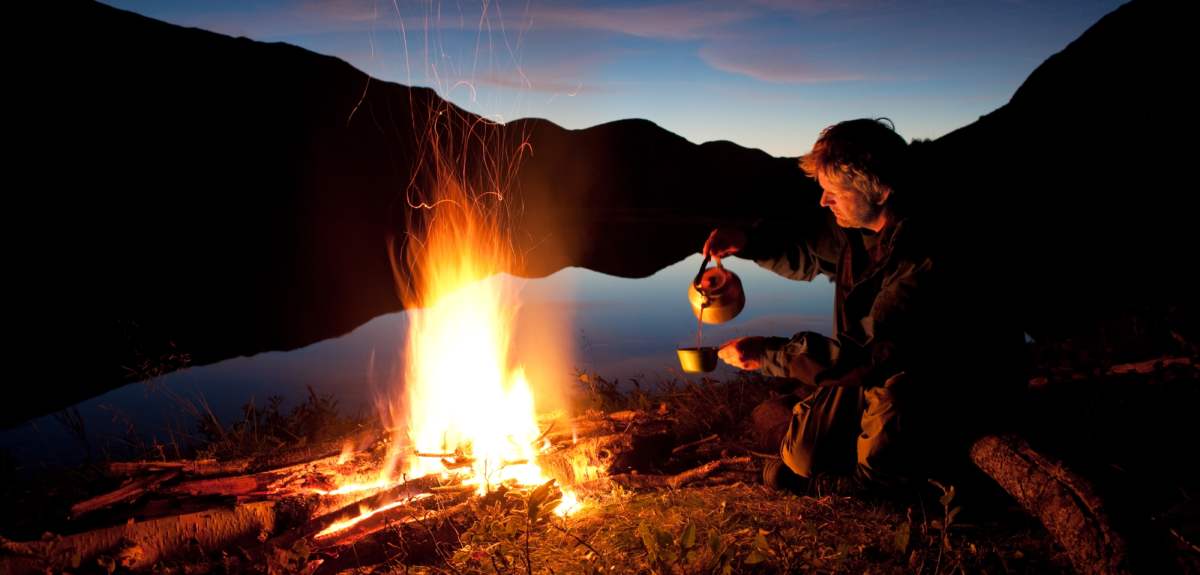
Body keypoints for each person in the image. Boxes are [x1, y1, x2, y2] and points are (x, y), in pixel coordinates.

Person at [704, 118, 1020, 497]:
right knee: (803, 454)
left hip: (933, 376)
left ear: (881, 190)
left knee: (882, 453)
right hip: (868, 369)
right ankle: (836, 463)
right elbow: (804, 255)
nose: (824, 201)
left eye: (834, 192)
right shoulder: (856, 230)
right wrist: (747, 243)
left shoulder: (927, 256)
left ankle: (883, 486)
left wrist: (766, 353)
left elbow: (869, 349)